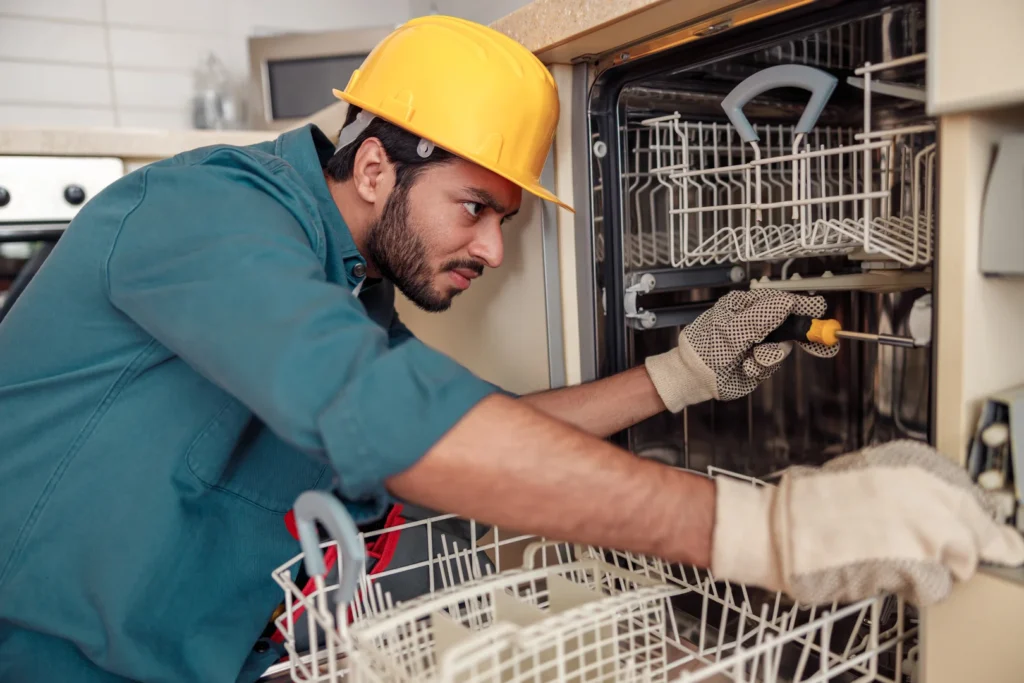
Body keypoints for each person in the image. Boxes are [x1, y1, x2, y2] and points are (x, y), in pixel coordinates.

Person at [0, 14, 1020, 683]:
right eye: (477, 208)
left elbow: (469, 430)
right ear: (372, 165)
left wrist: (677, 373)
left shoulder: (343, 287)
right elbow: (405, 430)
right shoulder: (201, 213)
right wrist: (769, 532)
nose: (491, 247)